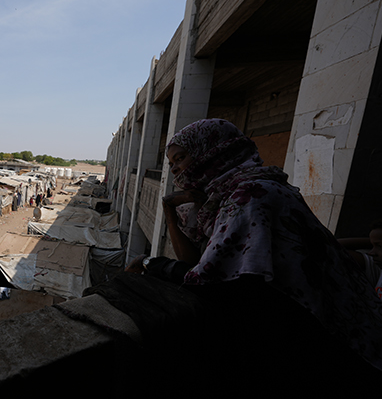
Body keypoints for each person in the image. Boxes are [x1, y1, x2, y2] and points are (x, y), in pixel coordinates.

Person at [124, 118, 381, 370]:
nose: (174, 169)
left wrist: (147, 262)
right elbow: (197, 263)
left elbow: (209, 280)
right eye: (171, 163)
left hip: (338, 341)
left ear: (214, 151)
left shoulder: (250, 195)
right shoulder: (231, 194)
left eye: (180, 158)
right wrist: (169, 211)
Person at [338, 220, 382, 300]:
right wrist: (376, 239)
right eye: (372, 246)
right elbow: (333, 247)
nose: (371, 253)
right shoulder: (378, 269)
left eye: (379, 246)